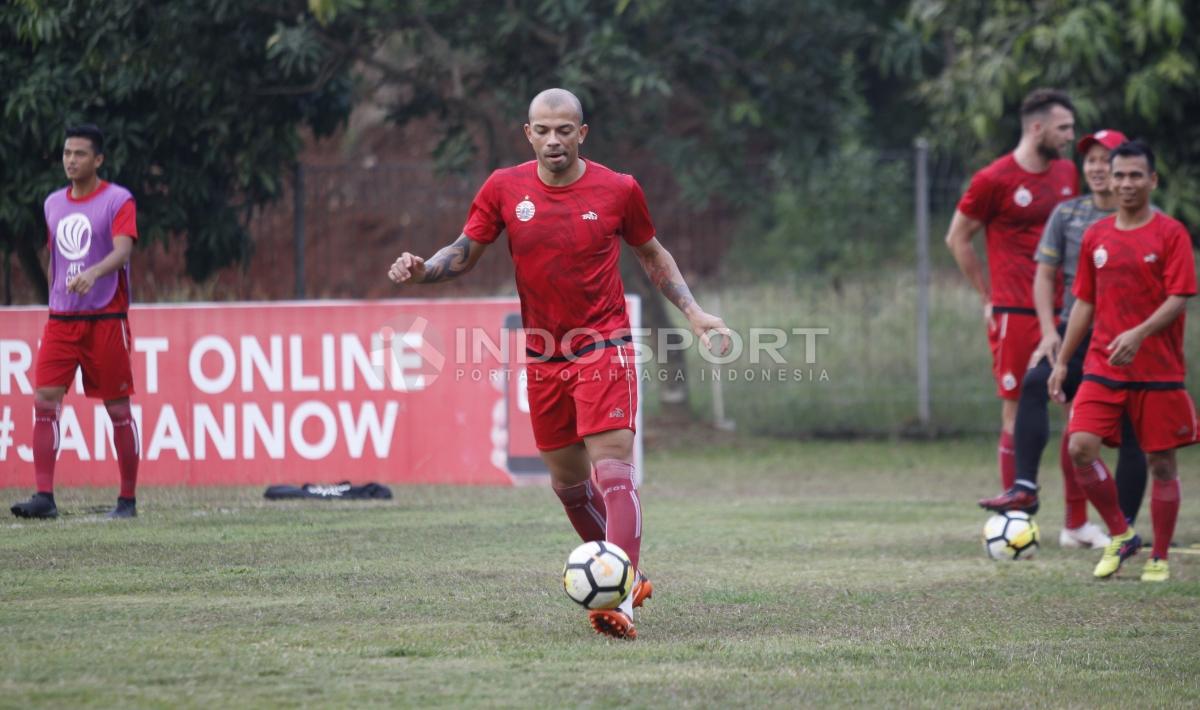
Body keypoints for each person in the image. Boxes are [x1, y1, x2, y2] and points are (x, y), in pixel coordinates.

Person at [388, 88, 730, 638]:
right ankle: (627, 578)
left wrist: (692, 312)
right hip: (543, 355)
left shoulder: (620, 189)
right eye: (543, 130)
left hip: (605, 344)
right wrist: (422, 269)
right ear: (528, 134)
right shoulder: (503, 187)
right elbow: (464, 252)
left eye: (564, 130)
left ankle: (621, 598)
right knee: (570, 486)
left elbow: (652, 254)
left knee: (614, 467)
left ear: (582, 134)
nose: (553, 140)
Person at [979, 130, 1148, 547]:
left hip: (1124, 343)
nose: (1095, 167)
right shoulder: (1068, 215)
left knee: (1132, 431)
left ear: (1127, 171)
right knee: (1035, 383)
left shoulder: (1148, 222)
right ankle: (1025, 487)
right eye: (1088, 159)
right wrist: (1050, 333)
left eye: (1104, 159)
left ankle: (1120, 529)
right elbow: (1048, 278)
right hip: (1078, 335)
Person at [1049, 140, 1196, 582]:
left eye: (1136, 175)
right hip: (1103, 364)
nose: (1126, 183)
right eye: (1120, 175)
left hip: (1158, 370)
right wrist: (1062, 360)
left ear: (1152, 180)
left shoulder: (1170, 233)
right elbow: (1084, 304)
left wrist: (1139, 332)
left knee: (1162, 463)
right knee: (1079, 447)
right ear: (1108, 181)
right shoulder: (1096, 236)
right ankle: (1122, 533)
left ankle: (1161, 557)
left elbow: (1179, 297)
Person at [945, 88, 1079, 492]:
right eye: (1063, 128)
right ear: (1036, 128)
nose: (1070, 136)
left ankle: (1076, 525)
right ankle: (1016, 513)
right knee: (1016, 412)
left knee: (1081, 416)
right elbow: (957, 238)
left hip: (1070, 312)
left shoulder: (1068, 174)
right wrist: (987, 296)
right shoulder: (993, 179)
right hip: (1017, 312)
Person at [10, 124, 141, 520]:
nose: (71, 160)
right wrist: (55, 295)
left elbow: (122, 252)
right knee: (44, 401)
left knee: (118, 410)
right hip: (62, 320)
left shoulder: (118, 200)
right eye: (67, 153)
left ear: (98, 160)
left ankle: (127, 500)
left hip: (106, 318)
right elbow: (56, 257)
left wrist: (94, 273)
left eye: (80, 154)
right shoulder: (52, 204)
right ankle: (45, 497)